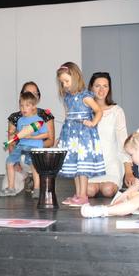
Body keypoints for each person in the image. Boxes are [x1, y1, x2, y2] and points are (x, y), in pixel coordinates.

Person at [56, 62, 105, 207]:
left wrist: (93, 122)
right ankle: (78, 194)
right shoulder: (67, 97)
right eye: (62, 82)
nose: (65, 85)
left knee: (82, 167)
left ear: (76, 77)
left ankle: (83, 196)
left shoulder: (85, 96)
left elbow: (99, 110)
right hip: (70, 136)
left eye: (67, 81)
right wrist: (62, 137)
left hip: (83, 136)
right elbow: (68, 116)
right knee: (75, 166)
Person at [86, 72, 133, 198]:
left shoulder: (117, 111)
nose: (101, 90)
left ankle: (114, 180)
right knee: (89, 191)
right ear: (91, 88)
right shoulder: (85, 111)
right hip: (91, 164)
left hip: (112, 162)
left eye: (105, 86)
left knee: (108, 190)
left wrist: (128, 171)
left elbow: (123, 142)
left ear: (109, 88)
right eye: (97, 86)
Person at [4, 81, 55, 193]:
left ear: (38, 98)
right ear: (21, 96)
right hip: (21, 157)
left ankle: (35, 182)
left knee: (37, 171)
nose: (30, 95)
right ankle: (21, 180)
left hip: (38, 155)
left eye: (34, 93)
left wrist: (33, 145)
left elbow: (50, 140)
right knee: (6, 184)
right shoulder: (16, 118)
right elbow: (12, 141)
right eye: (27, 92)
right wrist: (16, 162)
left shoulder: (44, 116)